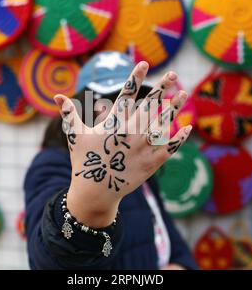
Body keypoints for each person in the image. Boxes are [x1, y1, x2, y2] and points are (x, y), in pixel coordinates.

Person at [24, 59, 196, 270]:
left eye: (137, 102)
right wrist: (88, 207)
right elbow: (47, 259)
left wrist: (182, 266)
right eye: (113, 103)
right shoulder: (51, 164)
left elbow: (166, 234)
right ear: (84, 108)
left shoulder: (138, 166)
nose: (128, 115)